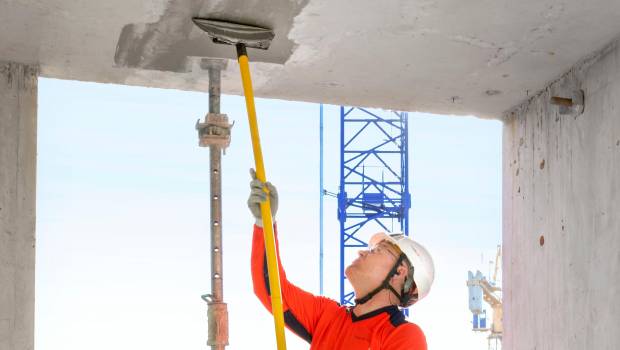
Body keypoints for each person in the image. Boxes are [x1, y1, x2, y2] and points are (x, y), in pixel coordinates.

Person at [248, 170, 434, 349]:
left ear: (400, 272)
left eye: (378, 250)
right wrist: (265, 222)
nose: (362, 253)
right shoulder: (328, 316)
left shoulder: (403, 336)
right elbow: (272, 291)